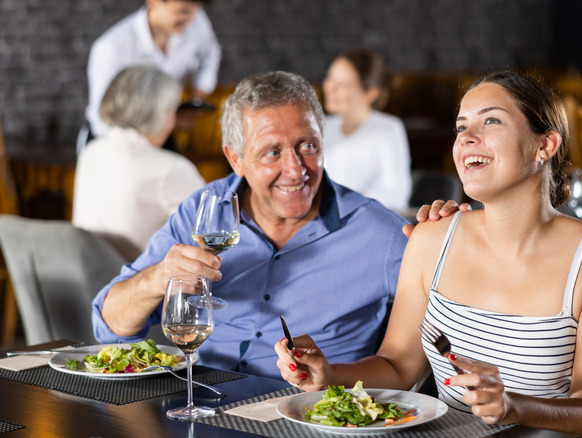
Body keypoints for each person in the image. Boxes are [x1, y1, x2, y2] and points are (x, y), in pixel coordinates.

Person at [274, 71, 582, 437]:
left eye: (491, 120)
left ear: (546, 145)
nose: (467, 138)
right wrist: (328, 374)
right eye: (461, 127)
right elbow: (398, 367)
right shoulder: (431, 238)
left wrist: (512, 406)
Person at [90, 71, 411, 379]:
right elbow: (108, 326)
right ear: (235, 159)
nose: (296, 170)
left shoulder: (380, 232)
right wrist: (158, 278)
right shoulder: (204, 209)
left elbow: (445, 321)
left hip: (308, 417)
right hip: (202, 402)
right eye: (272, 153)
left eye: (308, 146)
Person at [73, 65, 205, 261]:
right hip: (138, 283)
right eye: (172, 110)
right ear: (161, 112)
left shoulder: (91, 151)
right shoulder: (170, 168)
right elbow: (215, 228)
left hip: (88, 277)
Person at [83, 0, 221, 147]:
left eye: (197, 11)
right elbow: (101, 121)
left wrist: (198, 94)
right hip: (114, 141)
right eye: (183, 11)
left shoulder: (195, 21)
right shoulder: (111, 49)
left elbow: (211, 53)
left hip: (162, 134)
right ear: (153, 2)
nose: (192, 19)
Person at [321, 49, 412, 212]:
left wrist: (348, 199)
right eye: (329, 78)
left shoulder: (388, 129)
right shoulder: (323, 126)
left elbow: (398, 196)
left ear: (370, 93)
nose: (330, 88)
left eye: (342, 85)